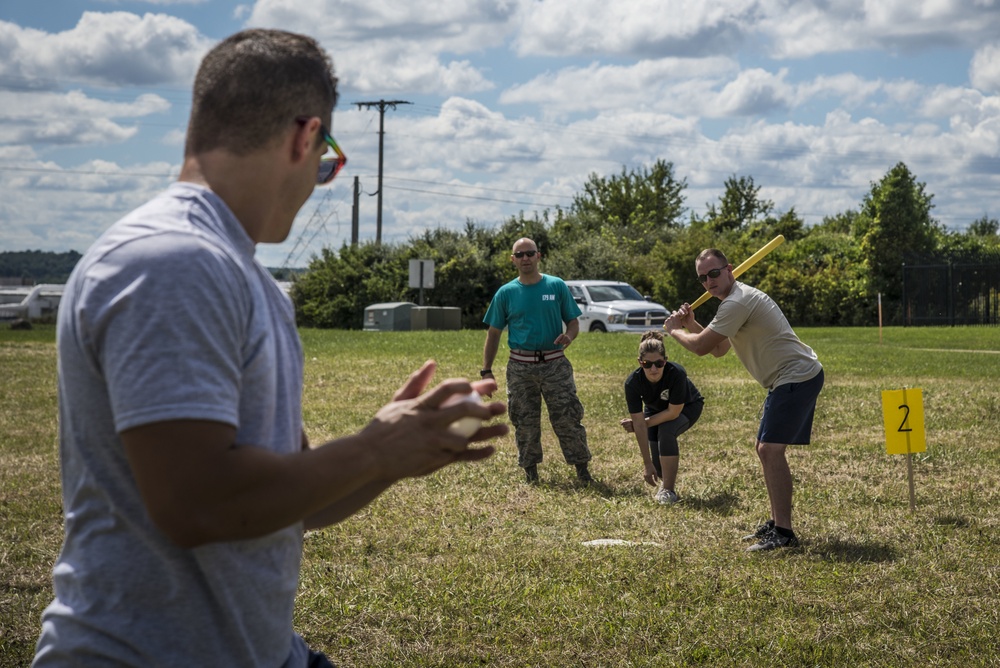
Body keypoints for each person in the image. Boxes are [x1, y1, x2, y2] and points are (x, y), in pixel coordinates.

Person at [33, 29, 507, 668]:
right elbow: (198, 504)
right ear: (304, 138)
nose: (320, 179)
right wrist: (372, 447)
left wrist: (389, 457)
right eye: (327, 161)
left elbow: (283, 500)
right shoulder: (175, 262)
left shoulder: (244, 276)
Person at [663, 248, 823, 552]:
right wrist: (692, 324)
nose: (709, 281)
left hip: (797, 376)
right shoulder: (732, 302)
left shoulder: (737, 301)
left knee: (770, 450)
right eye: (702, 278)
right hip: (785, 378)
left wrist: (674, 330)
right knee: (764, 450)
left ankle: (784, 534)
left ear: (729, 269)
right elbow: (719, 347)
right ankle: (777, 523)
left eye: (713, 273)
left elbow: (699, 348)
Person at [481, 238, 593, 484]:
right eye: (519, 255)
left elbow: (573, 322)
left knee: (568, 417)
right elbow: (494, 333)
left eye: (529, 253)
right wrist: (486, 371)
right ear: (513, 260)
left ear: (539, 256)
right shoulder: (506, 293)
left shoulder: (556, 286)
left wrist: (569, 337)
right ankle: (531, 473)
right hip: (520, 367)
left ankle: (582, 471)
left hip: (555, 363)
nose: (525, 258)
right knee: (524, 419)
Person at [619, 330, 704, 504]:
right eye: (647, 364)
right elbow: (640, 424)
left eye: (659, 363)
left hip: (687, 406)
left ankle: (668, 491)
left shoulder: (676, 373)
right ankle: (662, 479)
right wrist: (647, 464)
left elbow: (673, 412)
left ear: (665, 360)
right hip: (655, 409)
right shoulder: (632, 383)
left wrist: (641, 424)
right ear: (639, 362)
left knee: (666, 431)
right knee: (658, 468)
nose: (654, 369)